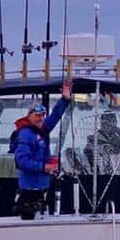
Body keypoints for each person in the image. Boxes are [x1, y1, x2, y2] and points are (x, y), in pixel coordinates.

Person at [9, 79, 72, 215]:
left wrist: (65, 99)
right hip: (29, 189)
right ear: (29, 116)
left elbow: (55, 116)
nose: (41, 118)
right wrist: (45, 167)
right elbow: (21, 162)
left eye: (43, 115)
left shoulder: (41, 128)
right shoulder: (26, 134)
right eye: (37, 115)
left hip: (42, 187)